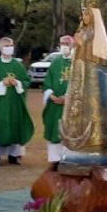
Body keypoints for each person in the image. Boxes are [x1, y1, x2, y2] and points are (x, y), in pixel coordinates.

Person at [0, 37, 34, 165]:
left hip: (14, 102)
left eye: (11, 45)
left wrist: (17, 83)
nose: (10, 47)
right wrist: (1, 83)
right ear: (0, 48)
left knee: (14, 125)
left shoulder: (17, 65)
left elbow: (26, 81)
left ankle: (14, 155)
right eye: (6, 45)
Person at [42, 35, 75, 163]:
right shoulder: (55, 62)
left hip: (72, 105)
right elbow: (47, 81)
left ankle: (70, 158)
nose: (64, 45)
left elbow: (83, 83)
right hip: (54, 104)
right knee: (54, 129)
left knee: (71, 131)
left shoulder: (78, 62)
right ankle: (55, 159)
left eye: (67, 43)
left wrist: (68, 97)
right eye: (62, 43)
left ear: (73, 45)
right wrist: (50, 95)